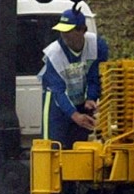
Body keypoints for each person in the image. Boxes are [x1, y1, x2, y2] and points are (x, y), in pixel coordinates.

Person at [38, 8, 109, 150]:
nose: (64, 35)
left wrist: (91, 98)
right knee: (52, 148)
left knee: (82, 146)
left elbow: (95, 76)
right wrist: (74, 115)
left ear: (83, 30)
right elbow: (58, 91)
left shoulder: (97, 45)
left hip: (81, 100)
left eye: (69, 31)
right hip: (57, 104)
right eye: (62, 31)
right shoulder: (54, 55)